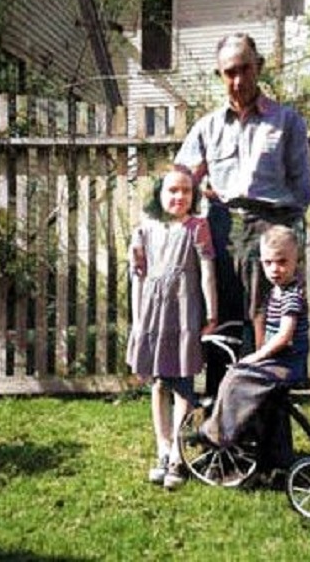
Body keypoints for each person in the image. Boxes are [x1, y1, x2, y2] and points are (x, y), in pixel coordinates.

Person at [175, 33, 310, 384]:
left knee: (264, 318)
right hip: (221, 225)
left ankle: (264, 410)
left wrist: (282, 237)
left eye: (245, 69)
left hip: (270, 227)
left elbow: (303, 190)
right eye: (229, 73)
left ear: (259, 67)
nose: (238, 81)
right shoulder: (207, 127)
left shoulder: (287, 122)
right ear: (219, 75)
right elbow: (180, 181)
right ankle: (220, 408)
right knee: (220, 316)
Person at [126, 164, 218, 490]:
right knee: (159, 383)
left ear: (194, 195)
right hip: (152, 315)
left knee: (182, 384)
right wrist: (138, 320)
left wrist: (211, 314)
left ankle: (179, 455)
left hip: (184, 314)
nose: (179, 196)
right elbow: (138, 278)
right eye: (172, 190)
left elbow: (207, 273)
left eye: (186, 191)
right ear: (159, 193)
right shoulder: (145, 229)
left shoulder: (198, 227)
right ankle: (163, 449)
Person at [196, 225, 309, 466]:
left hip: (287, 364)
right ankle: (223, 430)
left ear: (295, 260)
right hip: (279, 361)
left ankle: (220, 433)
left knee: (237, 378)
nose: (275, 269)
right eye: (268, 263)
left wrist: (257, 357)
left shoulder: (291, 296)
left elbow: (284, 336)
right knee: (234, 376)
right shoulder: (277, 291)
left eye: (282, 262)